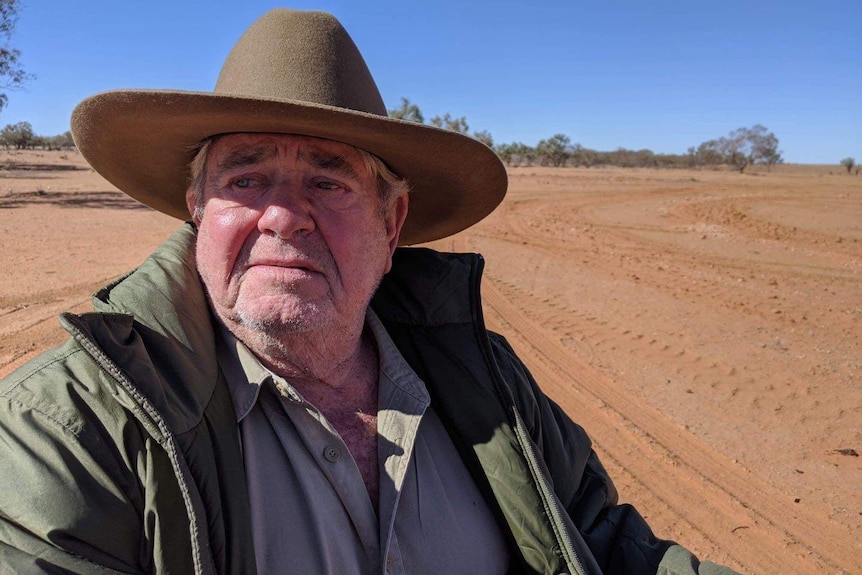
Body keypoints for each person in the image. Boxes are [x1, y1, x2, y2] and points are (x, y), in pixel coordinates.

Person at [0, 9, 739, 575]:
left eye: (328, 180)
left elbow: (603, 543)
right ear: (199, 209)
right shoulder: (73, 432)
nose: (285, 215)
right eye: (245, 178)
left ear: (393, 222)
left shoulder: (484, 382)